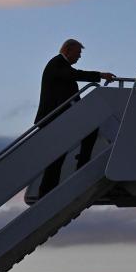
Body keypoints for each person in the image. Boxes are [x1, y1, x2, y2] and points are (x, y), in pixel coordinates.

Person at [35, 39, 115, 198]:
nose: (79, 57)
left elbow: (70, 91)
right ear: (68, 50)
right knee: (59, 155)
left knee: (59, 155)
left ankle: (48, 191)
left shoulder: (61, 66)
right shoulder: (57, 64)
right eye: (78, 53)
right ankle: (80, 164)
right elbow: (75, 75)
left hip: (61, 117)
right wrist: (99, 75)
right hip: (54, 118)